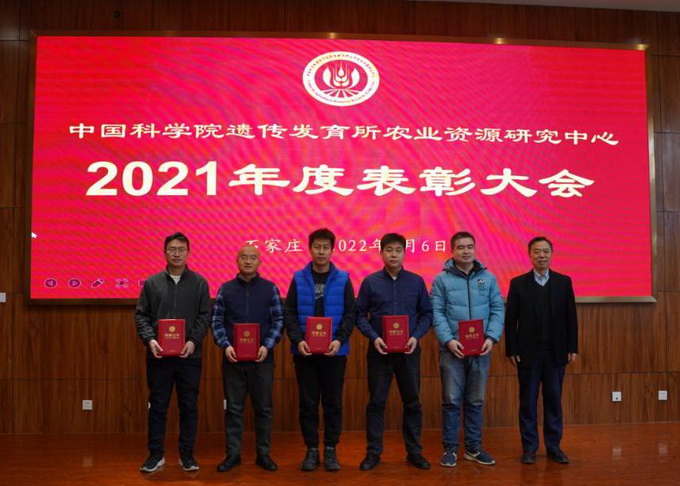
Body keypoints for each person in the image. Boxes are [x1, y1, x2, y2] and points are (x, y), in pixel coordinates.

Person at [356, 233, 433, 471]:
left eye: (398, 250)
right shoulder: (370, 282)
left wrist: (415, 337)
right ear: (381, 253)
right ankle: (373, 453)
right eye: (389, 250)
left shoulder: (416, 282)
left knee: (412, 403)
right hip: (379, 352)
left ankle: (414, 452)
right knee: (376, 403)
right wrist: (375, 337)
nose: (393, 255)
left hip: (409, 351)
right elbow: (359, 315)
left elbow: (427, 313)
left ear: (404, 253)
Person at [135, 232, 211, 473]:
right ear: (164, 253)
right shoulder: (152, 283)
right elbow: (141, 316)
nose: (176, 254)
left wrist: (193, 341)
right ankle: (155, 455)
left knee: (189, 406)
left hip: (189, 356)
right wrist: (150, 339)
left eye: (181, 249)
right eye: (172, 249)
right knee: (158, 406)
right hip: (159, 357)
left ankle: (186, 455)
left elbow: (205, 316)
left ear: (188, 253)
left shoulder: (199, 283)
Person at [284, 228, 356, 472]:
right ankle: (312, 450)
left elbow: (350, 314)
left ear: (332, 250)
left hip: (335, 353)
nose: (321, 251)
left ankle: (331, 449)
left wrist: (339, 340)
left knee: (333, 403)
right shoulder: (298, 278)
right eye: (317, 247)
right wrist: (297, 340)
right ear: (310, 248)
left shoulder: (343, 278)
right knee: (308, 403)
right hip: (304, 352)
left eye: (326, 247)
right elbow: (289, 313)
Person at [431, 231, 504, 468]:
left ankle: (473, 448)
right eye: (461, 247)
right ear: (452, 251)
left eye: (470, 246)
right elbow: (436, 313)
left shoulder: (489, 278)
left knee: (475, 400)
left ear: (475, 249)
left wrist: (491, 337)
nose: (466, 251)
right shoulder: (441, 280)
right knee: (451, 400)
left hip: (481, 349)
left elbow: (497, 309)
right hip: (452, 350)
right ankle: (450, 449)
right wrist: (448, 341)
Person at [504, 236, 578, 465]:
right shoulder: (518, 284)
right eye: (537, 251)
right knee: (527, 401)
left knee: (553, 400)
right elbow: (511, 320)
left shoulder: (563, 282)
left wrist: (572, 347)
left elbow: (571, 317)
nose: (542, 255)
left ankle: (554, 447)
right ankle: (529, 448)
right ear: (530, 255)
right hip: (528, 353)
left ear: (551, 254)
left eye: (546, 251)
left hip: (556, 352)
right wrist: (511, 349)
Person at [211, 245, 284, 473]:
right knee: (233, 410)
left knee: (264, 409)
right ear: (237, 260)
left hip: (262, 360)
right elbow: (216, 322)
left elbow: (278, 321)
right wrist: (225, 345)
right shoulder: (226, 289)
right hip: (233, 360)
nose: (248, 261)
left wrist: (266, 345)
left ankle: (263, 455)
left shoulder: (270, 289)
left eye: (253, 258)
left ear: (260, 262)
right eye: (244, 257)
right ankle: (233, 455)